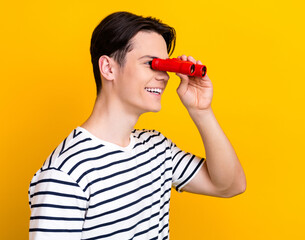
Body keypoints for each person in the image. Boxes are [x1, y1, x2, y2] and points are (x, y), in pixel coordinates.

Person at [28, 11, 246, 240]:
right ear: (108, 68)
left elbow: (230, 185)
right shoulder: (66, 173)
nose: (164, 77)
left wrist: (201, 111)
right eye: (151, 64)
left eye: (166, 66)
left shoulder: (157, 148)